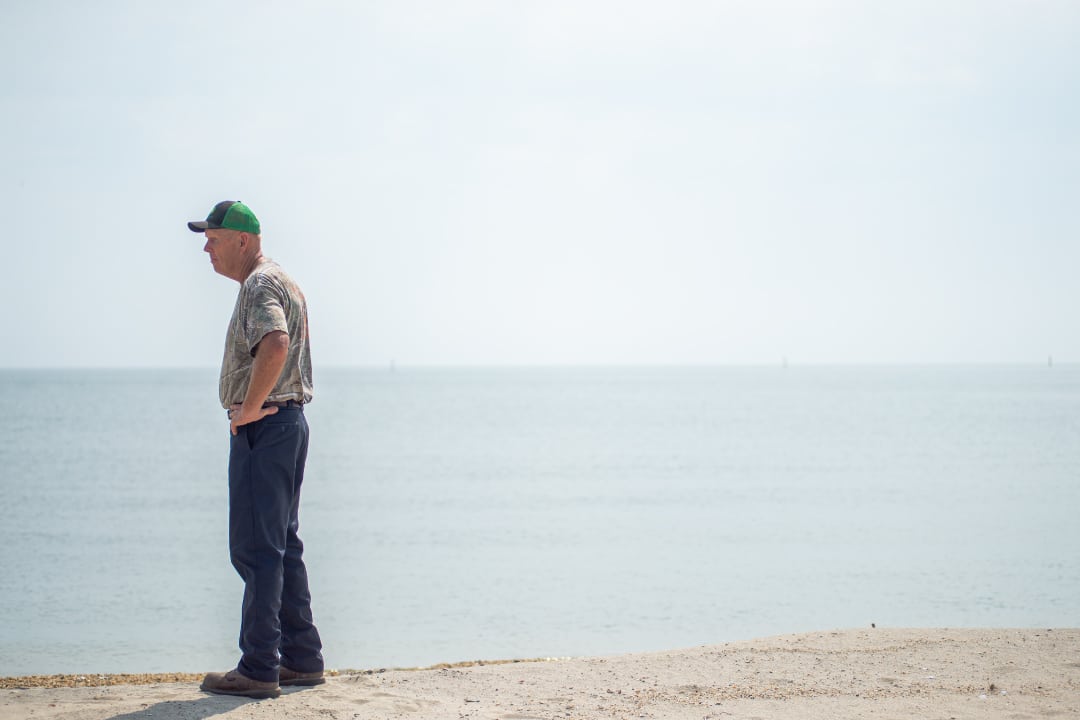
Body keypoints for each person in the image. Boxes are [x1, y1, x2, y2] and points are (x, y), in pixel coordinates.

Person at [188, 200, 325, 699]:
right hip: (288, 422)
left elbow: (276, 343)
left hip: (267, 428)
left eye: (214, 236)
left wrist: (247, 409)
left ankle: (259, 667)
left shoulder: (260, 284)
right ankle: (302, 659)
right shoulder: (281, 279)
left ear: (241, 240)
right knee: (282, 544)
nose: (206, 246)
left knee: (256, 548)